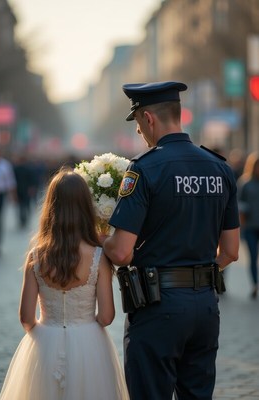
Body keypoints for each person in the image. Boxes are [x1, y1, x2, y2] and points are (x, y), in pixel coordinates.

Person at [103, 81, 240, 400]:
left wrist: (102, 239)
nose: (139, 133)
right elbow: (231, 251)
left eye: (138, 124)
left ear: (148, 119)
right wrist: (199, 273)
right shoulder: (220, 168)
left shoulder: (144, 170)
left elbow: (122, 252)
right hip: (205, 306)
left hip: (156, 305)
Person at [0, 167, 129, 400]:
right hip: (89, 341)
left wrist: (49, 335)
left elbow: (26, 318)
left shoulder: (36, 257)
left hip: (45, 338)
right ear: (85, 208)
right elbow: (107, 316)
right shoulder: (98, 257)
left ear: (51, 207)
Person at [238, 152, 259, 299]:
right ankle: (255, 284)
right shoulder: (245, 183)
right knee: (252, 257)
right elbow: (239, 205)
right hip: (250, 227)